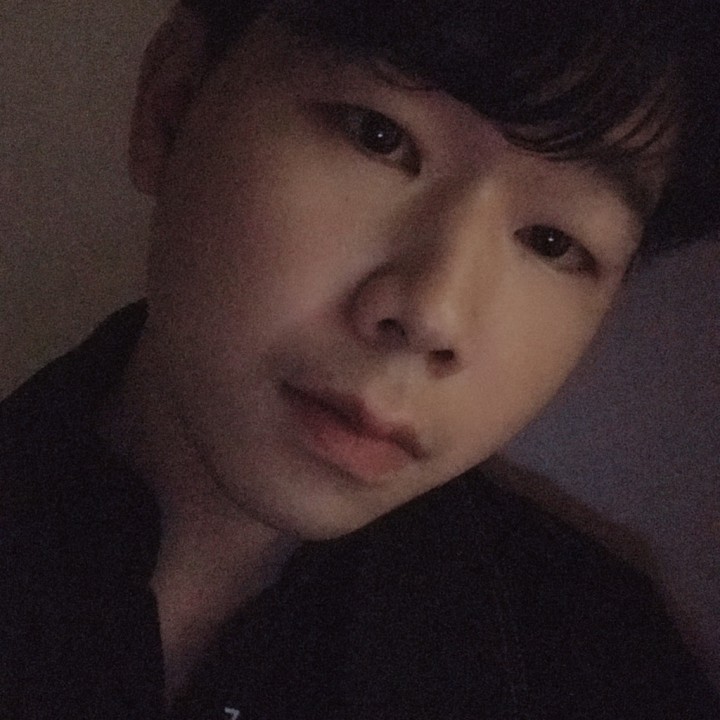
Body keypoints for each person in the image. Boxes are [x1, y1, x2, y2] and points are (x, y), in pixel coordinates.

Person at [2, 0, 719, 717]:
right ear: (175, 103)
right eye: (378, 136)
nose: (433, 313)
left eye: (552, 243)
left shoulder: (616, 674)